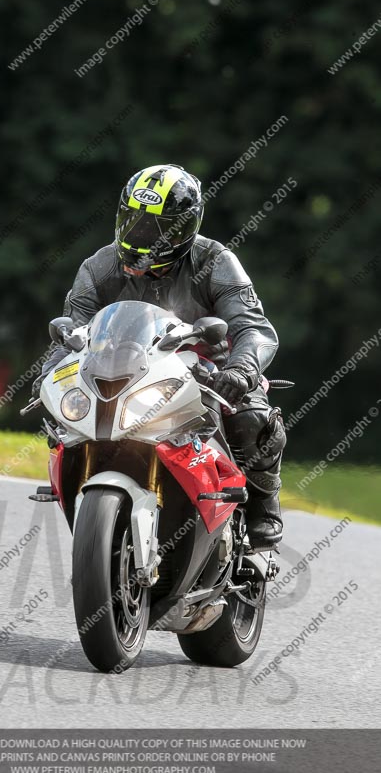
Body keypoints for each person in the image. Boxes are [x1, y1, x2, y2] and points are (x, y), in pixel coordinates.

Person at [34, 164, 286, 552]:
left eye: (158, 227)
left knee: (253, 419)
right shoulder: (99, 266)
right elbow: (72, 330)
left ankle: (262, 508)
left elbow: (256, 328)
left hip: (209, 374)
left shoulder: (216, 262)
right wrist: (50, 371)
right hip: (125, 374)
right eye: (135, 221)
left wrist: (242, 368)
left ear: (187, 227)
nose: (143, 235)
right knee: (64, 420)